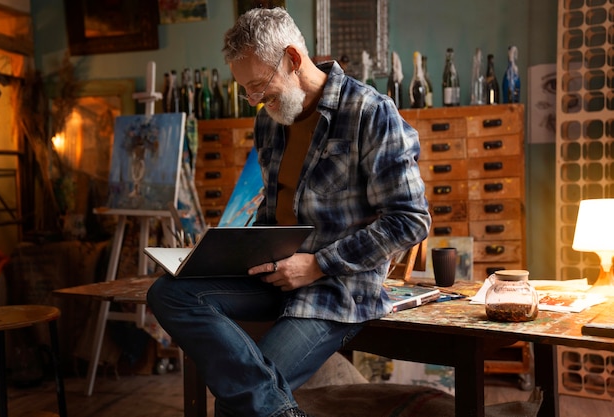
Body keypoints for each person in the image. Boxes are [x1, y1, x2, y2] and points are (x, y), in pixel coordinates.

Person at [147, 7, 430, 417]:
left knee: (237, 405)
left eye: (259, 85)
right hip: (272, 273)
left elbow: (410, 219)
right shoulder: (270, 121)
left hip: (336, 289)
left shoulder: (371, 112)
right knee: (168, 292)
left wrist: (317, 264)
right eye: (245, 90)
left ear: (294, 60)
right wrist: (225, 252)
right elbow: (276, 207)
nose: (254, 100)